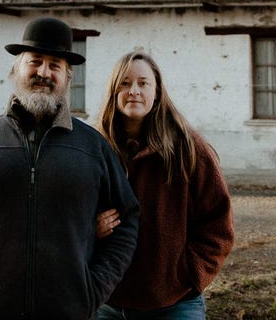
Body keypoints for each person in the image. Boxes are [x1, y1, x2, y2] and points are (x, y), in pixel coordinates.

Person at [0, 17, 140, 320]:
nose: (44, 73)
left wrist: (92, 290)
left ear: (68, 77)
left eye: (55, 65)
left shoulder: (93, 148)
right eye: (35, 62)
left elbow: (127, 221)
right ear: (16, 70)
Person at [93, 51, 235, 319]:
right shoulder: (95, 147)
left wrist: (189, 275)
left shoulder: (189, 148)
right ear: (113, 90)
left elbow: (218, 223)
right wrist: (91, 229)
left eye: (143, 83)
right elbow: (71, 214)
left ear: (157, 91)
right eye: (124, 83)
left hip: (174, 303)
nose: (133, 91)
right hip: (107, 300)